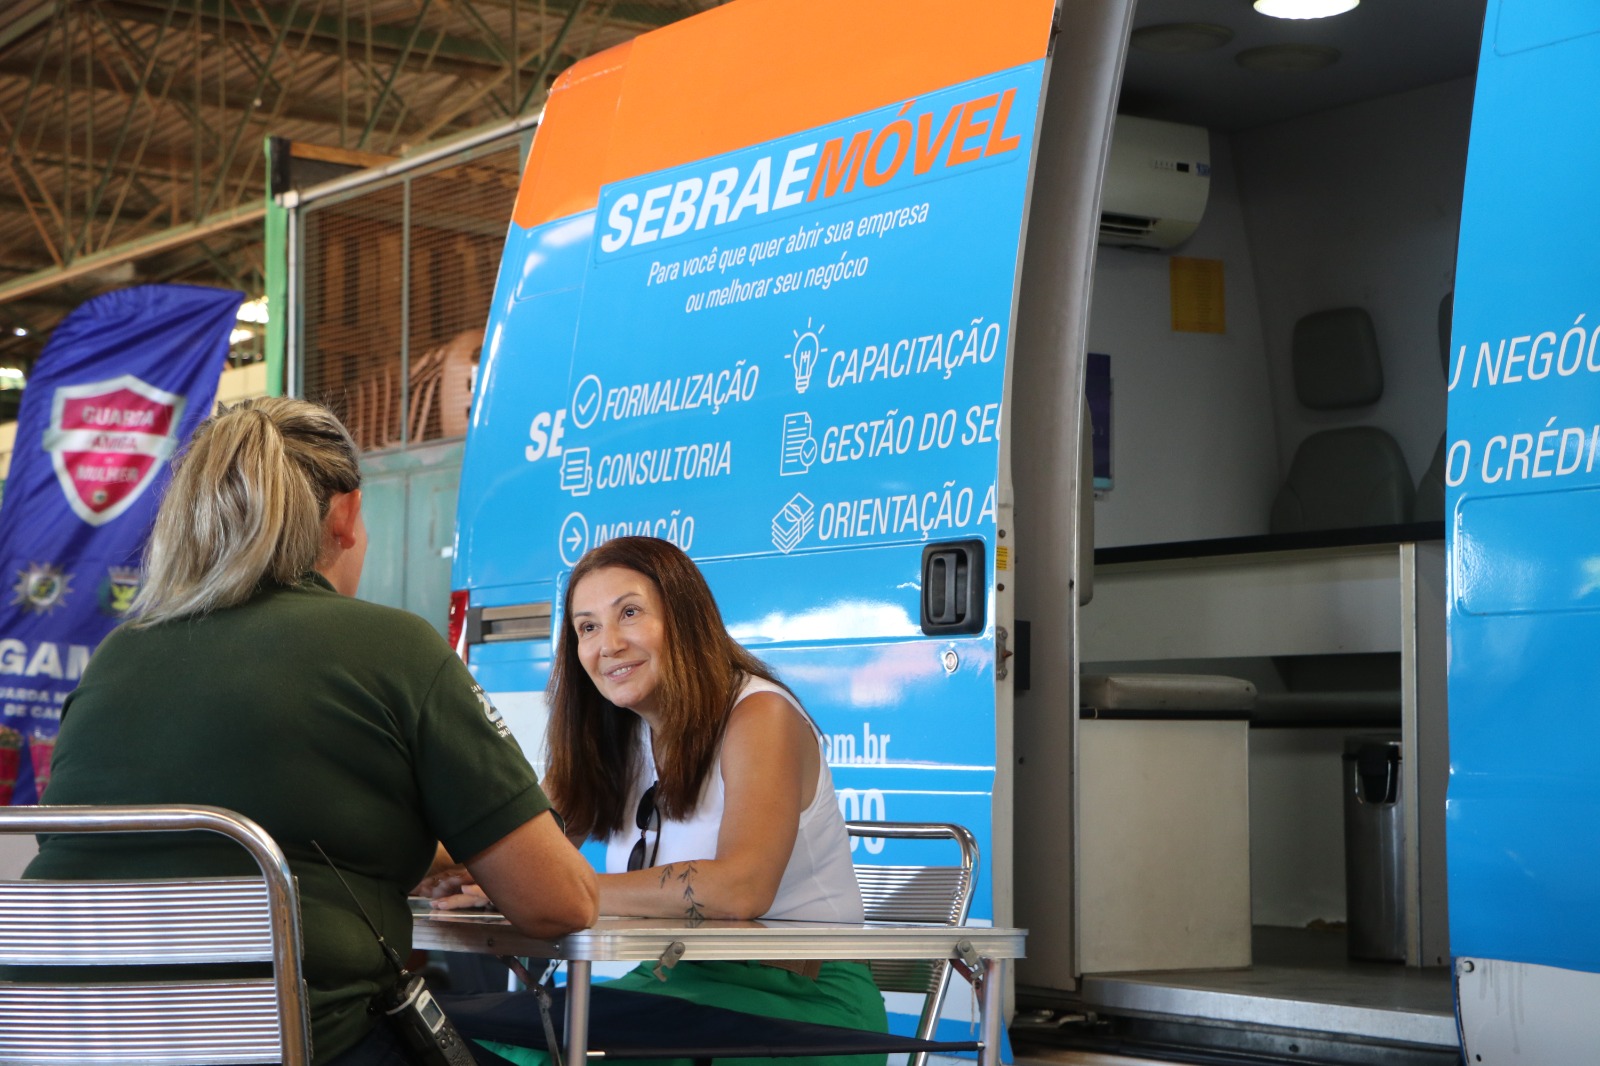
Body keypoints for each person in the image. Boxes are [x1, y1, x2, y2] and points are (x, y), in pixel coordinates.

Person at [24, 397, 598, 1066]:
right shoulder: (392, 647)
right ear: (346, 514)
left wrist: (416, 855)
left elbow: (176, 842)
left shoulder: (117, 657)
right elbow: (558, 904)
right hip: (294, 1044)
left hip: (66, 1037)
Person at [428, 535, 887, 1066]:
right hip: (676, 981)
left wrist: (565, 892)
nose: (608, 644)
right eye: (588, 627)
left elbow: (742, 889)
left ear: (685, 618)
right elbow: (515, 846)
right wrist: (419, 863)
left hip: (804, 1004)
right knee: (470, 1040)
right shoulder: (612, 736)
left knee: (551, 1052)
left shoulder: (760, 715)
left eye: (629, 613)